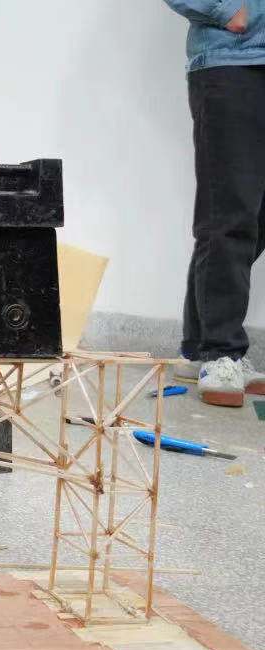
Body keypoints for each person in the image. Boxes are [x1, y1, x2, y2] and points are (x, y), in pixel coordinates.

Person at [165, 1, 265, 407]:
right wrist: (223, 10)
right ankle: (221, 351)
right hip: (233, 64)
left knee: (252, 215)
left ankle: (197, 347)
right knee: (228, 212)